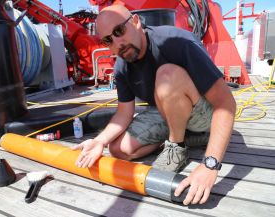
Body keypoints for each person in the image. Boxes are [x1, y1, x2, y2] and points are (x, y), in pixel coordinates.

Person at [72, 5, 236, 205]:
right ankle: (185, 139)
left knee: (167, 74)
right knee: (119, 149)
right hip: (170, 112)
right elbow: (124, 113)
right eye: (108, 40)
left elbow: (226, 103)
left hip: (205, 115)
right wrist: (99, 141)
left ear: (136, 22)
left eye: (119, 31)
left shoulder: (176, 42)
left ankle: (178, 145)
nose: (117, 43)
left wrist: (210, 165)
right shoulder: (122, 67)